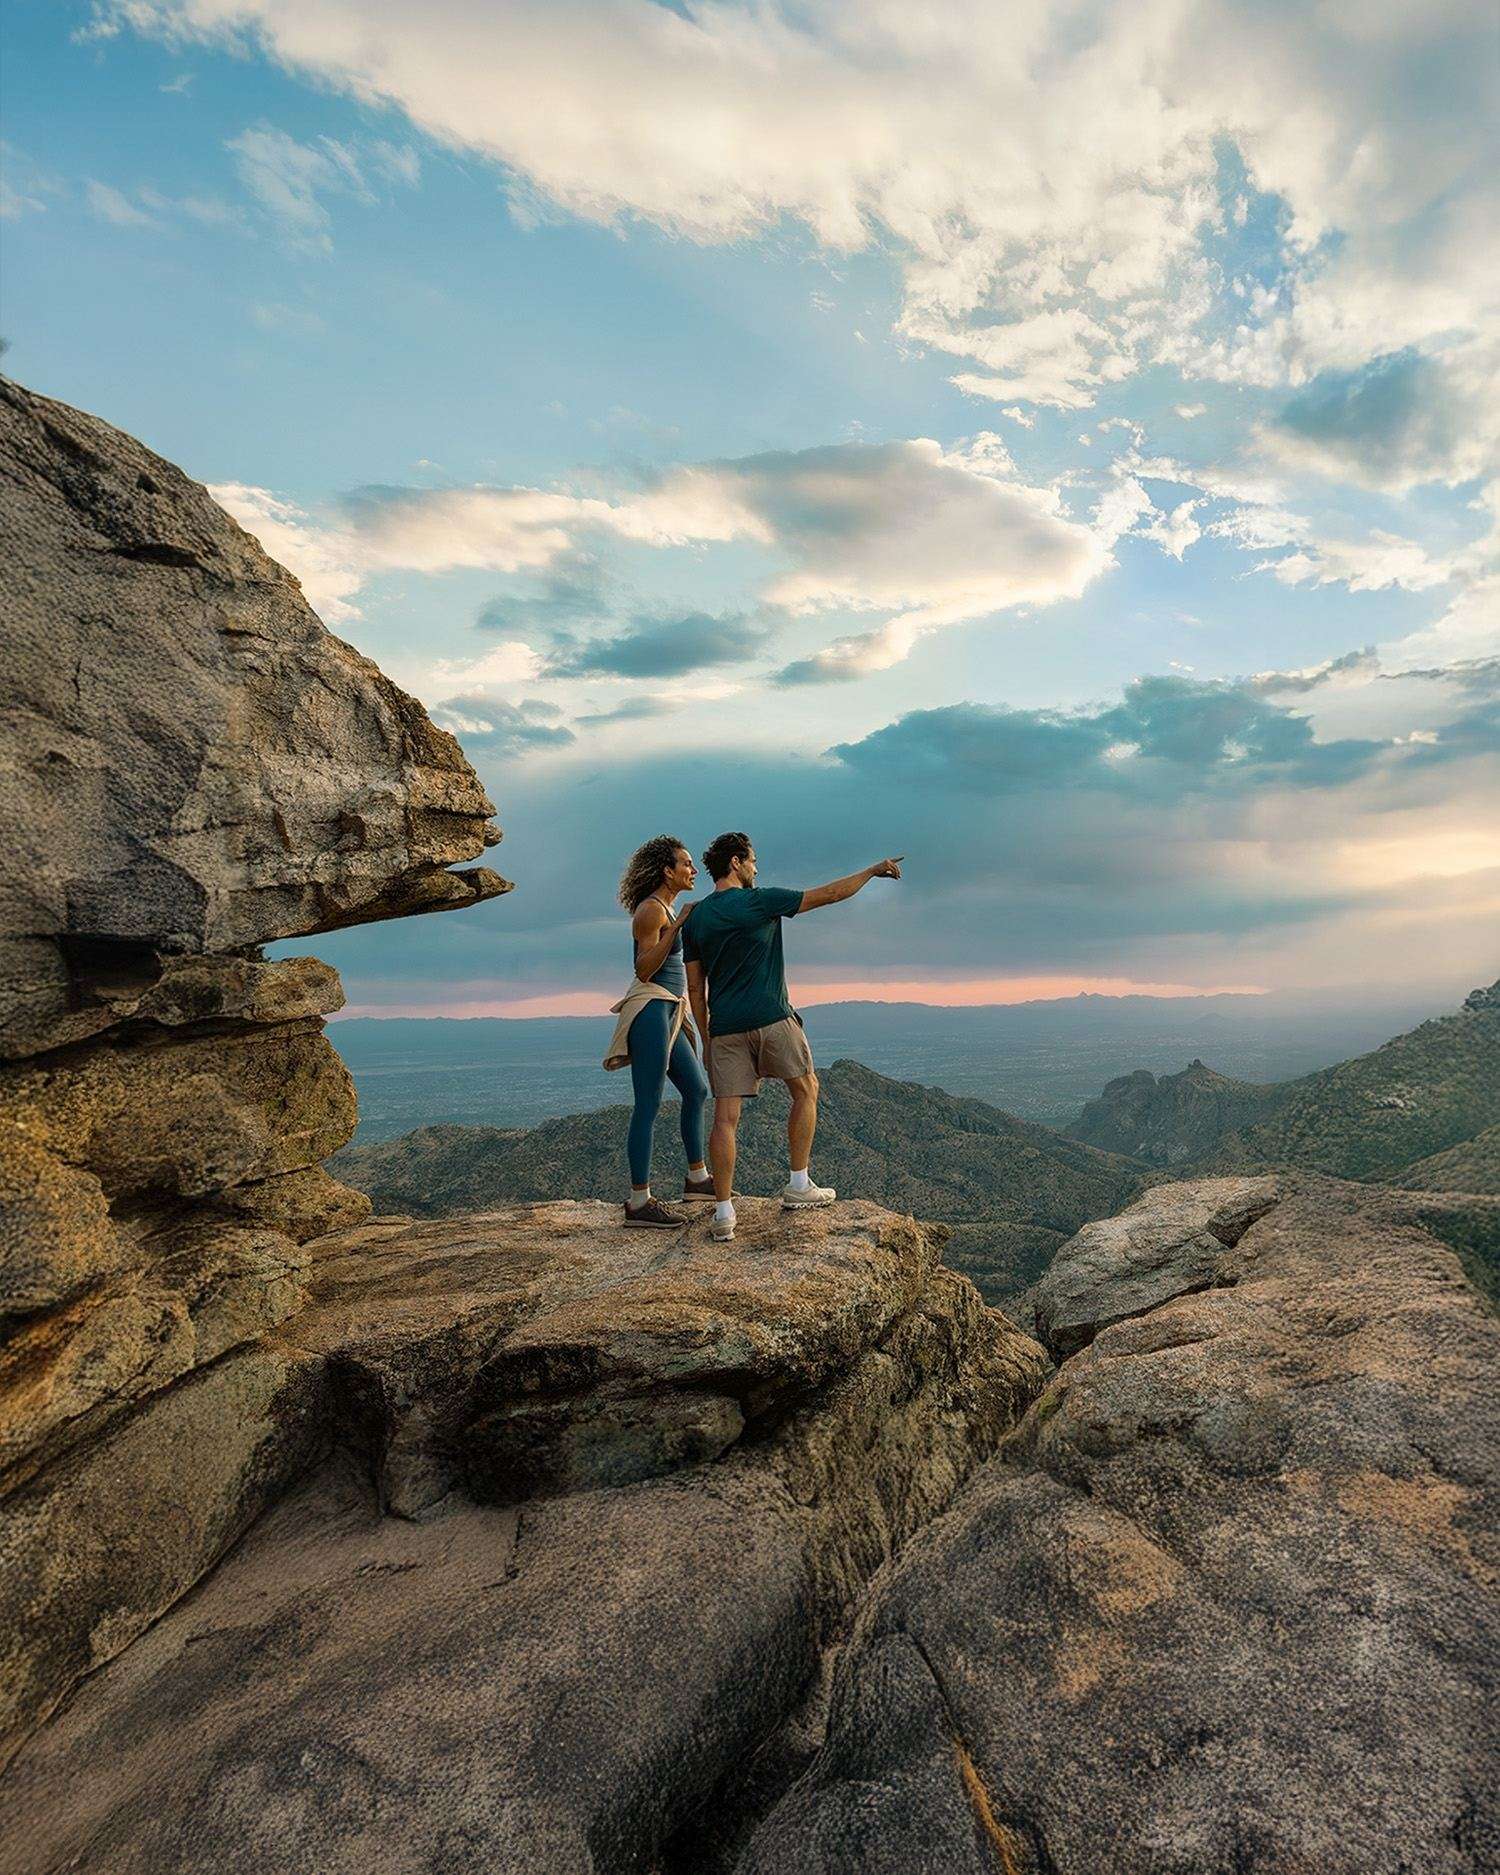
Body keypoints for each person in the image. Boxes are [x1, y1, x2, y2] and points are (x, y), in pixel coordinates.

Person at [683, 833, 902, 1242]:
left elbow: (695, 989)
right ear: (736, 863)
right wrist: (873, 870)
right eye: (752, 861)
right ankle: (799, 1184)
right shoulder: (760, 900)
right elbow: (832, 894)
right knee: (806, 1089)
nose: (756, 868)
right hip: (772, 1016)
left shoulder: (695, 918)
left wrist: (708, 1034)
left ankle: (724, 1213)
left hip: (725, 1028)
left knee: (725, 1119)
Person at [603, 835, 714, 1227]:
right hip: (650, 1010)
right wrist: (678, 923)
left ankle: (697, 1178)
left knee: (697, 1089)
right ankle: (638, 1202)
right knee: (647, 1105)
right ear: (667, 871)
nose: (692, 869)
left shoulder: (664, 908)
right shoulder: (652, 911)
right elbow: (644, 968)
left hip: (670, 1010)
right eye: (685, 864)